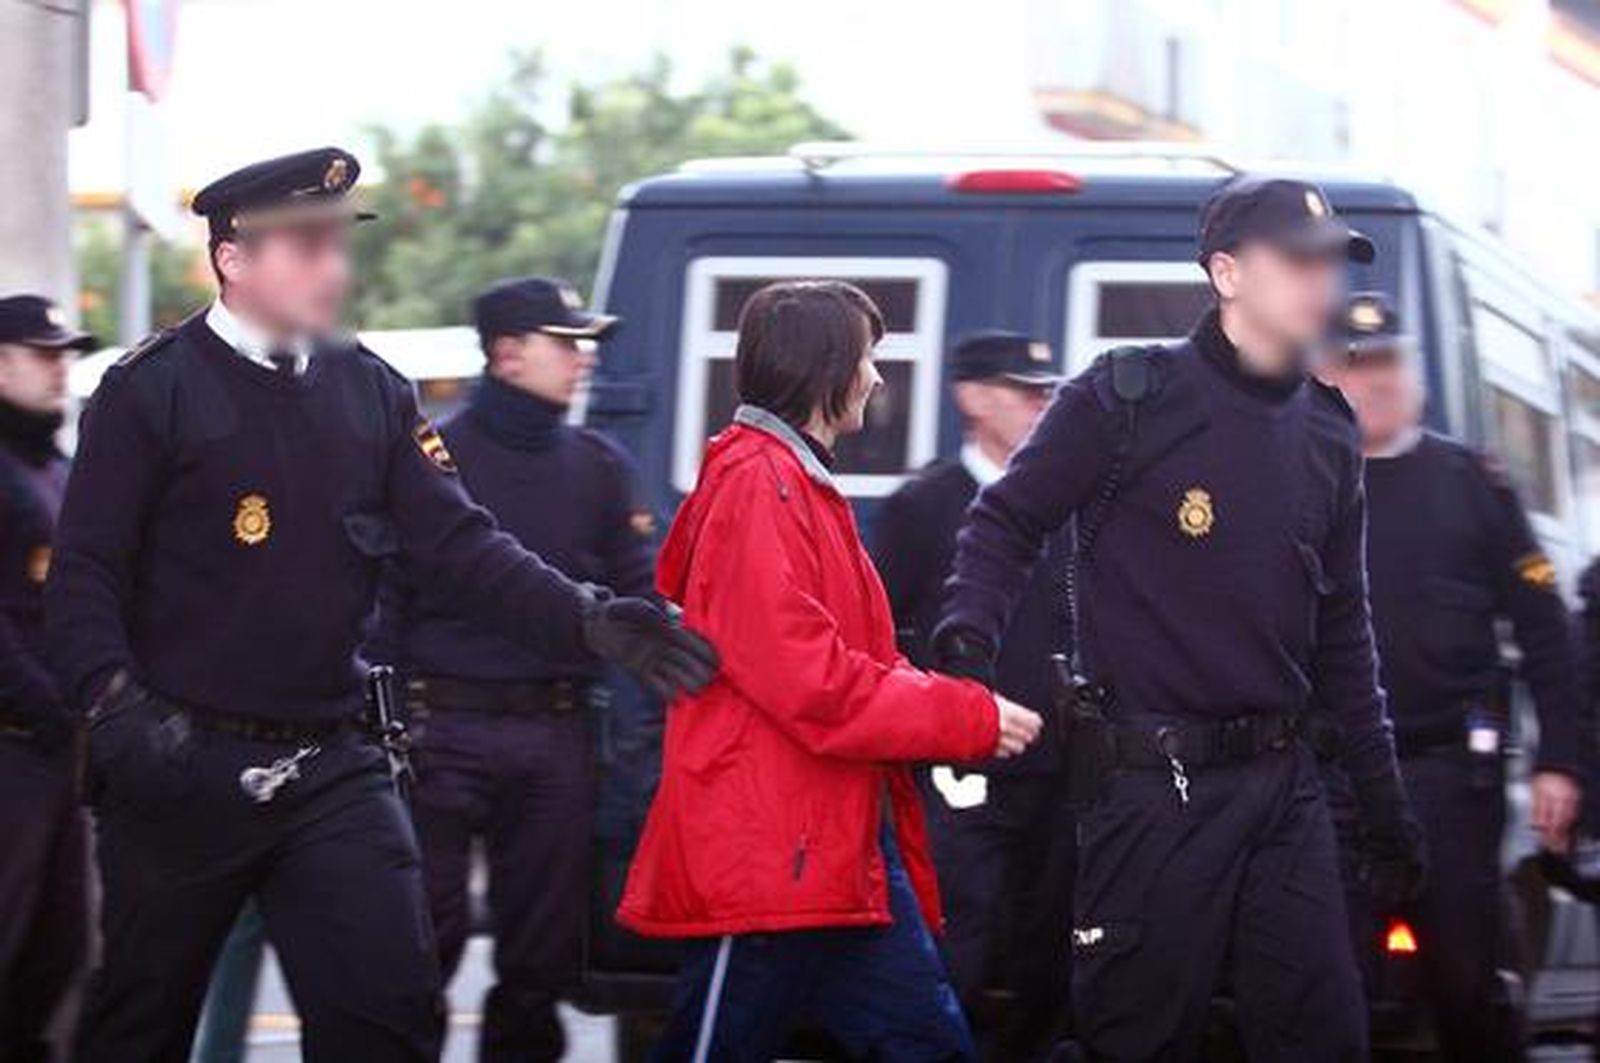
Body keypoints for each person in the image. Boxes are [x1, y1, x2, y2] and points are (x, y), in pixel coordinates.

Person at [45, 146, 718, 1063]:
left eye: (337, 243)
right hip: (179, 764)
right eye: (305, 245)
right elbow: (84, 571)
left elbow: (462, 549)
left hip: (331, 763)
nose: (334, 266)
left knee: (387, 1016)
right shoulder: (151, 389)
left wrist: (590, 617)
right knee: (139, 1024)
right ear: (233, 259)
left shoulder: (369, 389)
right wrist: (113, 704)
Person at [933, 174, 1426, 1062]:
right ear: (1228, 273)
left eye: (1331, 263)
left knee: (1327, 1039)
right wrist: (966, 648)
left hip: (1286, 789)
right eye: (1299, 260)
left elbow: (1346, 631)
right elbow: (1003, 522)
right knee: (1138, 1039)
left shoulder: (1327, 427)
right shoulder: (1128, 395)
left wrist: (1386, 805)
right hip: (1151, 791)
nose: (1322, 281)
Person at [616, 280, 1044, 1061]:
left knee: (931, 1045)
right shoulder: (759, 485)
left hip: (828, 849)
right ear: (827, 368)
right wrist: (966, 715)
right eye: (869, 358)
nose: (878, 378)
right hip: (773, 853)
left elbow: (853, 663)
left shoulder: (790, 480)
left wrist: (959, 709)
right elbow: (811, 678)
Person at [369, 275, 652, 1061]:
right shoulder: (433, 456)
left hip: (555, 729)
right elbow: (385, 596)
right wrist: (386, 726)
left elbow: (641, 594)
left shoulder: (597, 463)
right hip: (439, 727)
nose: (584, 359)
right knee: (422, 945)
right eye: (566, 343)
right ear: (506, 353)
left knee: (542, 955)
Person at [1316, 292, 1585, 1061]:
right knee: (1331, 986)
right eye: (1357, 365)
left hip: (1448, 779)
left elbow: (1545, 630)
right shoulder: (1298, 480)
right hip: (1330, 778)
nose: (1378, 382)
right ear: (1325, 375)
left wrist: (1560, 759)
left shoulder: (1476, 483)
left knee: (1468, 982)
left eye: (1392, 363)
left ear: (1416, 373)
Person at [871, 329, 1073, 1061]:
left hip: (1061, 770)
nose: (1041, 406)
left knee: (1054, 953)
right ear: (972, 397)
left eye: (1047, 393)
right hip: (959, 772)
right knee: (957, 939)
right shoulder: (923, 506)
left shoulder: (1067, 502)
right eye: (1024, 392)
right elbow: (879, 634)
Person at [0, 294, 93, 1062]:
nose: (61, 367)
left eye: (66, 352)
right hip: (13, 743)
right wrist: (45, 705)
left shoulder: (53, 465)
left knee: (57, 951)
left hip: (58, 745)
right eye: (43, 353)